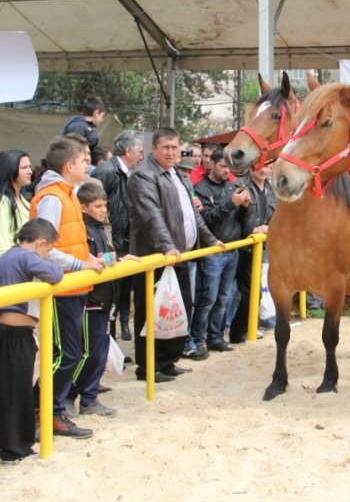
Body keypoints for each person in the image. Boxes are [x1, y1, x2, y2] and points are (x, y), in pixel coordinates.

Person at [127, 127, 220, 382]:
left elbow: (192, 214)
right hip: (155, 258)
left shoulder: (177, 174)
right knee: (151, 314)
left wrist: (211, 239)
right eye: (165, 147)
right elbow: (151, 216)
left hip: (179, 256)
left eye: (174, 147)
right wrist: (167, 246)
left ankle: (167, 361)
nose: (170, 152)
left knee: (178, 311)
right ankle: (148, 367)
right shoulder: (143, 176)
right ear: (154, 149)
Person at [30, 136, 106, 438]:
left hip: (73, 287)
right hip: (59, 288)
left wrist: (88, 260)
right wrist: (79, 264)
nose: (87, 163)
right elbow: (43, 246)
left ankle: (49, 409)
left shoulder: (69, 194)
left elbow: (69, 242)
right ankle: (46, 411)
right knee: (67, 355)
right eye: (82, 159)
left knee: (72, 354)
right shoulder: (52, 197)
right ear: (68, 165)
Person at [0, 219, 64, 464]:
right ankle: (14, 449)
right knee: (17, 392)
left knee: (5, 390)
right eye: (47, 250)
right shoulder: (26, 256)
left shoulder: (7, 256)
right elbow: (55, 274)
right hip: (14, 334)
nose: (45, 255)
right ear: (40, 243)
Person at [65, 183, 135, 418]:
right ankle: (69, 395)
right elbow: (90, 260)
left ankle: (89, 397)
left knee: (99, 352)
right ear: (83, 208)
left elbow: (104, 258)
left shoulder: (100, 229)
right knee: (88, 353)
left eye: (105, 205)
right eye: (97, 206)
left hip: (105, 299)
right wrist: (109, 259)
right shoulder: (82, 231)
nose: (103, 210)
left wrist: (119, 259)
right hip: (92, 300)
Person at [186, 147, 248, 358]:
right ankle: (197, 339)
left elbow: (242, 219)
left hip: (232, 249)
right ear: (211, 164)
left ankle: (216, 337)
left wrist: (245, 206)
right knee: (208, 299)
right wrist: (231, 204)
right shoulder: (200, 189)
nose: (226, 171)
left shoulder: (232, 186)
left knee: (224, 298)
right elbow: (207, 220)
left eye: (229, 167)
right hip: (212, 251)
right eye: (223, 166)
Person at [92, 131, 145, 341]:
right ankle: (108, 342)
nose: (142, 157)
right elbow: (95, 208)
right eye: (140, 151)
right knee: (110, 294)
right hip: (110, 244)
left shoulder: (131, 173)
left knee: (122, 292)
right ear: (128, 151)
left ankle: (115, 337)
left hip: (126, 242)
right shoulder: (106, 172)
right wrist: (107, 243)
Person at [228, 163, 277, 344]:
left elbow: (275, 217)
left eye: (268, 166)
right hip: (237, 245)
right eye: (259, 166)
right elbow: (232, 219)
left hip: (256, 248)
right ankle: (221, 333)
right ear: (250, 167)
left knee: (253, 293)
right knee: (225, 294)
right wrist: (253, 229)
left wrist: (268, 229)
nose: (263, 170)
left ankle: (239, 331)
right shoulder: (239, 186)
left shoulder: (272, 190)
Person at [0, 150, 34, 270]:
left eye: (29, 166)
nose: (30, 171)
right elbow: (1, 248)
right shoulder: (2, 201)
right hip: (10, 270)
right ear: (10, 170)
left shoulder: (20, 199)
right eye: (24, 168)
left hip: (21, 266)